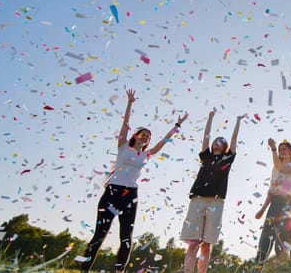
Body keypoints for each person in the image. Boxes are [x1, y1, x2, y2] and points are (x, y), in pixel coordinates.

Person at [81, 89, 188, 272]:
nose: (145, 137)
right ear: (136, 136)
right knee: (100, 234)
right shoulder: (123, 146)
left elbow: (164, 140)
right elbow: (125, 124)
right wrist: (130, 103)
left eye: (148, 136)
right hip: (112, 192)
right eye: (143, 134)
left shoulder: (146, 154)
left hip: (130, 195)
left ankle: (119, 270)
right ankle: (84, 269)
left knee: (126, 237)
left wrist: (177, 125)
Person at [180, 110, 244, 273]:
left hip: (216, 202)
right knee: (193, 242)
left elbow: (235, 139)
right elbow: (206, 136)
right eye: (216, 141)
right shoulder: (206, 157)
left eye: (221, 141)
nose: (217, 142)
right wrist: (209, 118)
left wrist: (238, 121)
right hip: (198, 200)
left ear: (225, 146)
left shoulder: (228, 159)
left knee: (207, 244)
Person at [254, 140, 291, 263]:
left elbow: (289, 186)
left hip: (288, 203)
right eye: (280, 149)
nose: (282, 152)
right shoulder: (275, 169)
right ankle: (259, 265)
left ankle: (284, 265)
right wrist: (262, 210)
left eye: (284, 149)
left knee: (282, 235)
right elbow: (271, 190)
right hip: (275, 203)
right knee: (267, 234)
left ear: (290, 152)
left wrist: (282, 185)